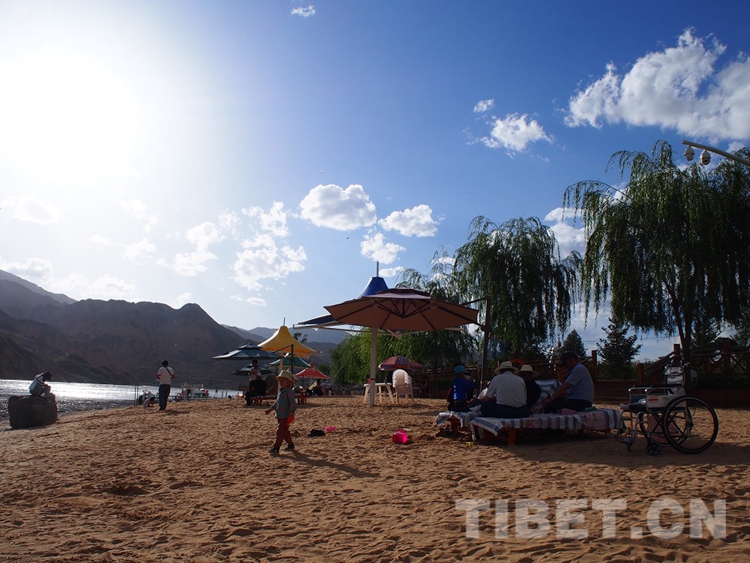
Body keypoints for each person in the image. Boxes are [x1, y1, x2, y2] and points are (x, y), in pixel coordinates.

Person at [265, 370, 297, 454]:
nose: (281, 382)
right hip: (280, 415)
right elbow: (277, 403)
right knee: (285, 432)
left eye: (283, 380)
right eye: (280, 381)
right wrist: (270, 409)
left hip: (286, 415)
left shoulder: (290, 392)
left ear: (289, 382)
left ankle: (276, 447)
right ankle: (291, 444)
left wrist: (291, 412)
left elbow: (293, 403)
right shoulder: (281, 392)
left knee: (280, 431)